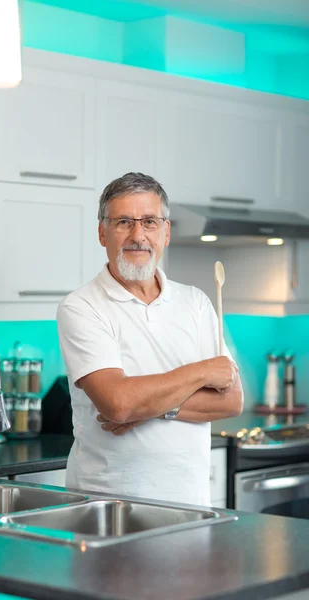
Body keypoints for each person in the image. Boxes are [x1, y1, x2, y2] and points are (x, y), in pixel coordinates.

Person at [57, 172, 243, 506]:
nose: (137, 235)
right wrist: (202, 372)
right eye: (123, 222)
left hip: (190, 505)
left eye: (150, 222)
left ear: (166, 232)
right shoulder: (81, 306)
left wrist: (149, 408)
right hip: (107, 506)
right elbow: (118, 403)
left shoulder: (196, 302)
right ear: (102, 232)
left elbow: (230, 401)